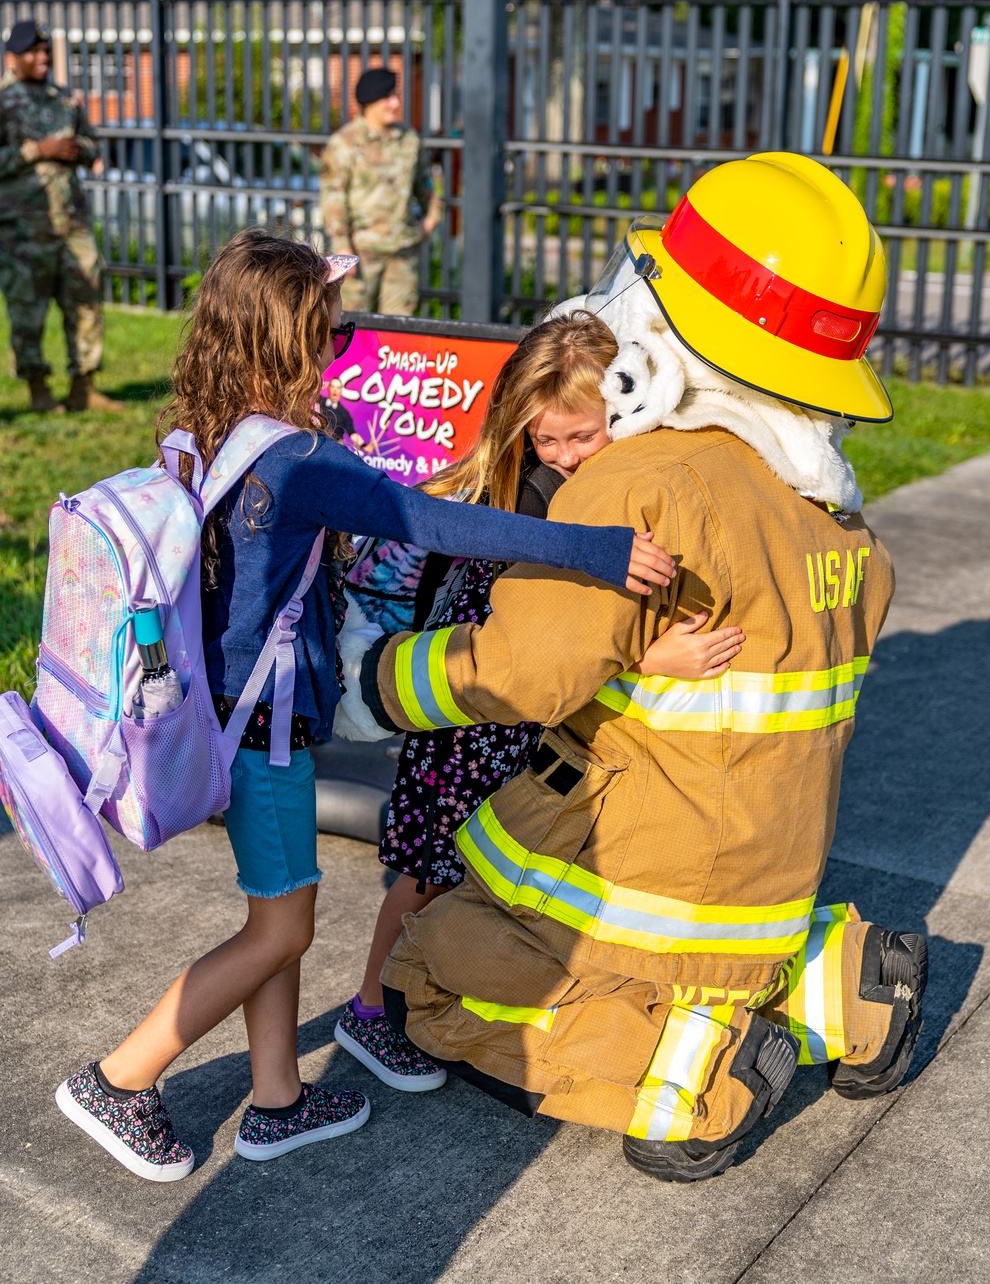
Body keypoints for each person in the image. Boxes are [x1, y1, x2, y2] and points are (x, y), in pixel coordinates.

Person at [344, 152, 929, 1184]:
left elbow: (520, 672)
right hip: (769, 882)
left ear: (665, 343)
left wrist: (373, 679)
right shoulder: (834, 517)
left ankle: (695, 1071)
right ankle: (841, 986)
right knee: (690, 958)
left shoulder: (645, 481)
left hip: (640, 864)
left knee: (424, 976)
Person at [52, 229, 676, 1182]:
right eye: (326, 324)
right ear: (285, 335)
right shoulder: (298, 457)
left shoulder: (203, 430)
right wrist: (595, 549)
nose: (340, 336)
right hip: (266, 732)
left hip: (231, 718)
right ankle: (119, 1078)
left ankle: (276, 1101)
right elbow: (429, 519)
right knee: (282, 928)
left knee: (276, 904)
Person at [335, 311, 745, 1091]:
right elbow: (553, 642)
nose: (561, 456)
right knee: (432, 870)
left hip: (514, 719)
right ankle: (368, 1009)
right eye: (545, 440)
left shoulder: (617, 482)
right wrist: (654, 655)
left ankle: (429, 993)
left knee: (484, 872)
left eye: (579, 437)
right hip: (477, 717)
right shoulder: (533, 498)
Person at [0, 19, 119, 413]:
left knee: (85, 300)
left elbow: (92, 146)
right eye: (34, 52)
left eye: (46, 51)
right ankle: (38, 389)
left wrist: (76, 148)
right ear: (13, 58)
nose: (43, 58)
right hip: (22, 228)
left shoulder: (64, 98)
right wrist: (39, 149)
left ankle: (84, 385)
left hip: (73, 223)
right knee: (27, 308)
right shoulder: (3, 100)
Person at [320, 66, 440, 317]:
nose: (396, 103)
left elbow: (425, 186)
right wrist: (342, 245)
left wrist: (430, 221)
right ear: (370, 102)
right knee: (352, 323)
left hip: (402, 252)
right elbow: (333, 199)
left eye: (395, 96)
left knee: (400, 329)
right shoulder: (344, 143)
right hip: (361, 255)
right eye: (388, 97)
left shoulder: (409, 140)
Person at [322, 375, 371, 451]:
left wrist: (365, 446)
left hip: (336, 447)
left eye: (338, 388)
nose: (335, 390)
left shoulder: (344, 413)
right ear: (329, 389)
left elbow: (352, 433)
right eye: (333, 386)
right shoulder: (319, 402)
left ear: (341, 391)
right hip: (320, 443)